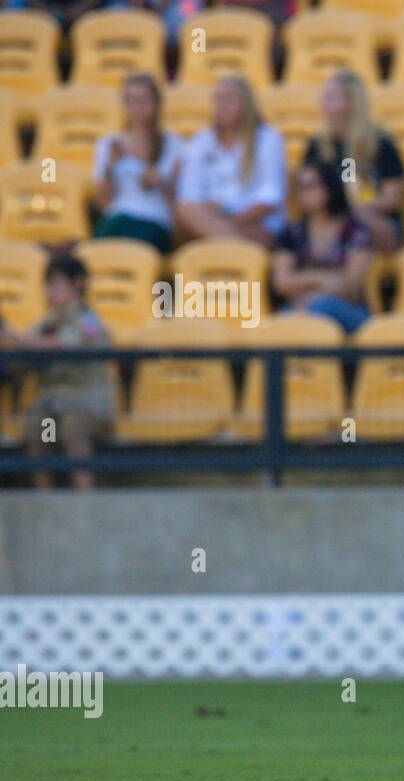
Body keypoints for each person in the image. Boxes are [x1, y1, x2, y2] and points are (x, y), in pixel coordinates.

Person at [0, 254, 114, 492]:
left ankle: (85, 501)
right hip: (54, 408)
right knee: (39, 430)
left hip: (86, 404)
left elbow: (57, 345)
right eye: (48, 284)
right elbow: (27, 355)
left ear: (78, 283)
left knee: (74, 429)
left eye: (56, 284)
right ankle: (48, 498)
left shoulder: (89, 321)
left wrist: (14, 336)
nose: (50, 291)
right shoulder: (46, 322)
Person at [175, 74, 288, 248]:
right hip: (212, 221)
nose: (222, 106)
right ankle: (236, 251)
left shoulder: (268, 139)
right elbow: (190, 195)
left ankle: (232, 250)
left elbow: (270, 199)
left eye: (229, 99)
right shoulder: (201, 141)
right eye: (218, 99)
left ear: (246, 104)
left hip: (255, 224)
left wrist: (231, 218)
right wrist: (219, 217)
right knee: (186, 211)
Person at [305, 70, 404, 253]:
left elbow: (391, 198)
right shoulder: (317, 146)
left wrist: (355, 207)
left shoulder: (381, 143)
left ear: (352, 102)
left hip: (373, 218)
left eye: (332, 96)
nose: (324, 101)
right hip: (328, 218)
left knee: (358, 218)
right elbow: (308, 192)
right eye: (325, 96)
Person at [271, 159, 374, 335]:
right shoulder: (292, 232)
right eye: (300, 187)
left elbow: (350, 286)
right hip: (301, 307)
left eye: (310, 186)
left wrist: (305, 286)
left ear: (329, 187)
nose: (303, 193)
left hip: (349, 311)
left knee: (320, 308)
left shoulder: (354, 231)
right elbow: (281, 282)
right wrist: (321, 280)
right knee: (281, 320)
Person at [92, 72, 185, 253]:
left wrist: (159, 182)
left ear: (157, 104)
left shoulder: (175, 144)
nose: (138, 108)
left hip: (155, 221)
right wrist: (109, 168)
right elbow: (104, 203)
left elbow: (180, 204)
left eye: (144, 100)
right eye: (132, 101)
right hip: (117, 219)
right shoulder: (110, 144)